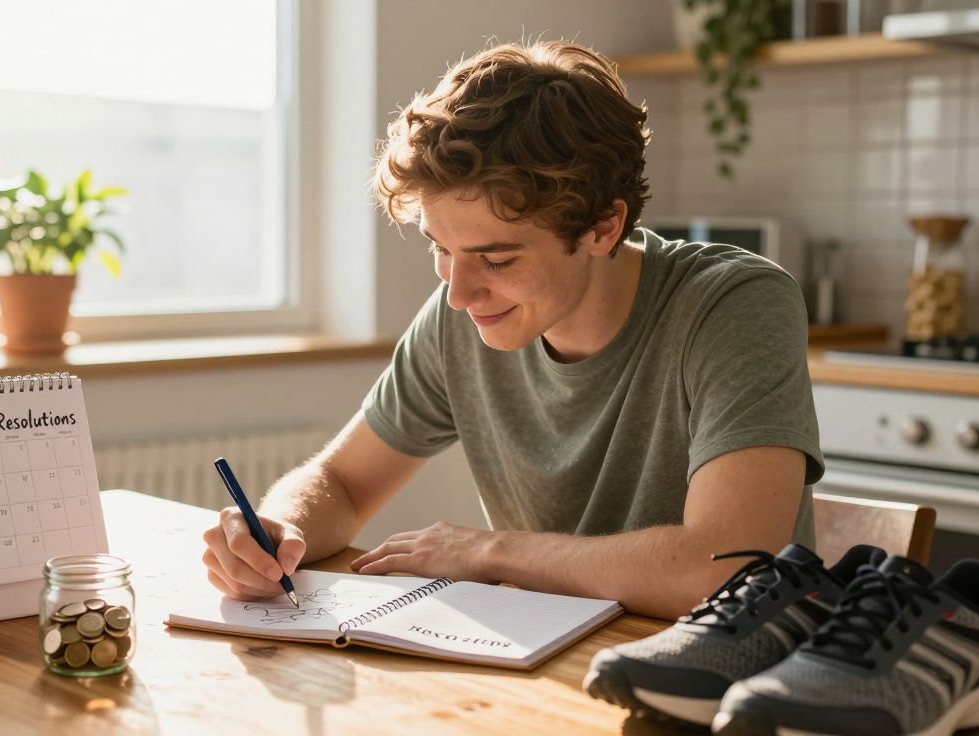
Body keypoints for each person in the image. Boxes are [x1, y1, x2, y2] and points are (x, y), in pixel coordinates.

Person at [201, 40, 823, 620]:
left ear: (604, 228)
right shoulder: (464, 320)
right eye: (439, 247)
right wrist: (275, 530)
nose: (458, 293)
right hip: (551, 658)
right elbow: (339, 481)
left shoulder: (733, 304)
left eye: (497, 260)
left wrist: (490, 552)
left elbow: (728, 568)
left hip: (731, 682)